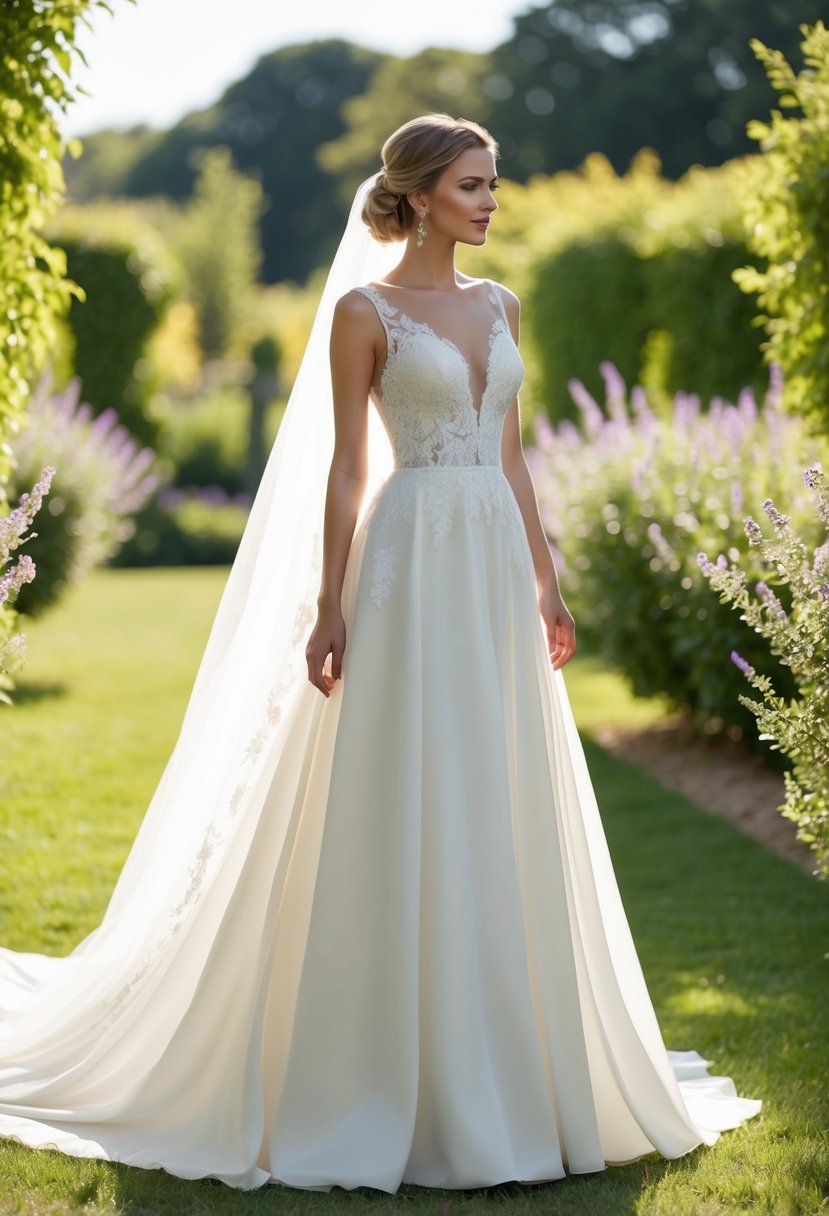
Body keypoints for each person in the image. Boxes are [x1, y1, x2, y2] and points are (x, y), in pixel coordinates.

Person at [0, 114, 759, 1193]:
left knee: (496, 789)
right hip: (406, 565)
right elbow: (348, 472)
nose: (491, 202)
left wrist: (547, 580)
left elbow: (511, 452)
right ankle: (376, 1062)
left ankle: (506, 1060)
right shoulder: (365, 313)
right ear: (417, 196)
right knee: (402, 786)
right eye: (472, 185)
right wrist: (328, 603)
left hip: (491, 563)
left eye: (493, 184)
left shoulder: (500, 305)